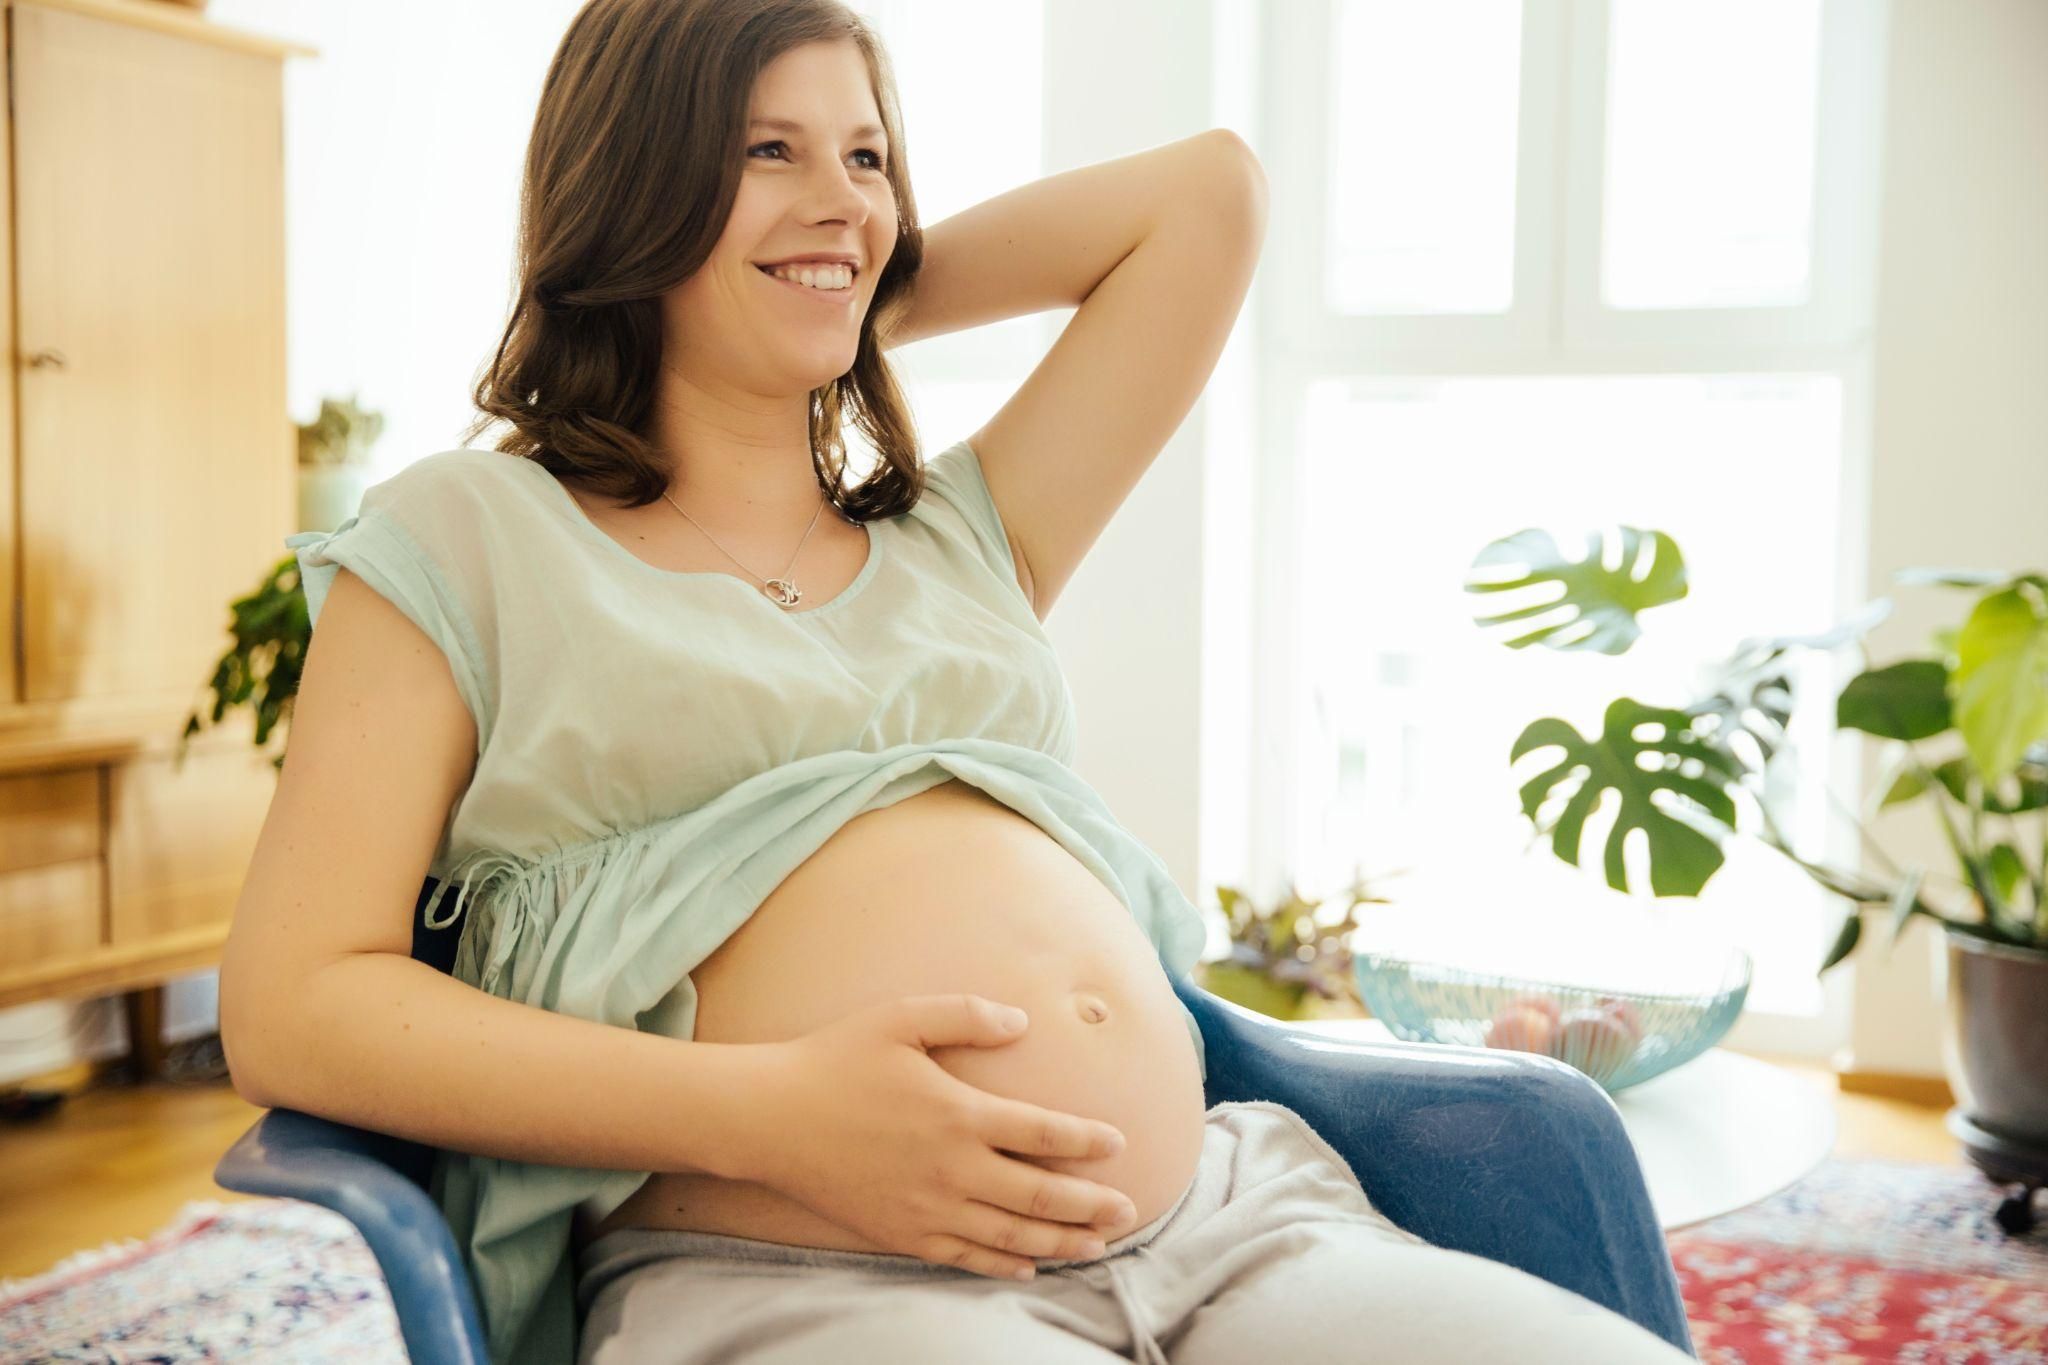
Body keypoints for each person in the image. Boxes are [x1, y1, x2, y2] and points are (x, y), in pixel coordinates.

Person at [220, 2, 1697, 1362]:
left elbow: (1210, 196)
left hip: (1234, 1226)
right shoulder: (468, 536)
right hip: (790, 1264)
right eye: (766, 150)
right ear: (631, 184)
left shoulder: (962, 534)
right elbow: (295, 1002)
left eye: (868, 155)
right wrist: (775, 1114)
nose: (845, 192)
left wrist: (836, 284)